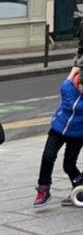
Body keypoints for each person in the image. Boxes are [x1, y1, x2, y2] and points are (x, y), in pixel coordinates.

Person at [33, 69, 83, 208]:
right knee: (48, 157)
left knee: (69, 165)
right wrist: (76, 67)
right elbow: (74, 71)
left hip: (78, 134)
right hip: (58, 128)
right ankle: (43, 189)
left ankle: (79, 188)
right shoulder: (66, 87)